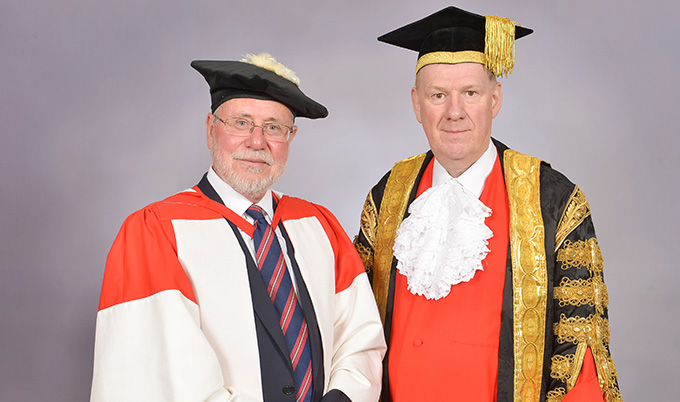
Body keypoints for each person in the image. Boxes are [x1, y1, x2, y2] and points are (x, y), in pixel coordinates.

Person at [353, 6, 621, 402]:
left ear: (495, 100)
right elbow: (356, 323)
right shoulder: (388, 193)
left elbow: (581, 347)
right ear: (416, 104)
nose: (454, 111)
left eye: (470, 93)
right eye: (437, 95)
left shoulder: (553, 200)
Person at [90, 53, 386, 402]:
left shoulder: (319, 225)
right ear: (211, 129)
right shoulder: (157, 231)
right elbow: (163, 369)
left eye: (273, 127)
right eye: (241, 123)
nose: (257, 142)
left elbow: (359, 337)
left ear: (291, 137)